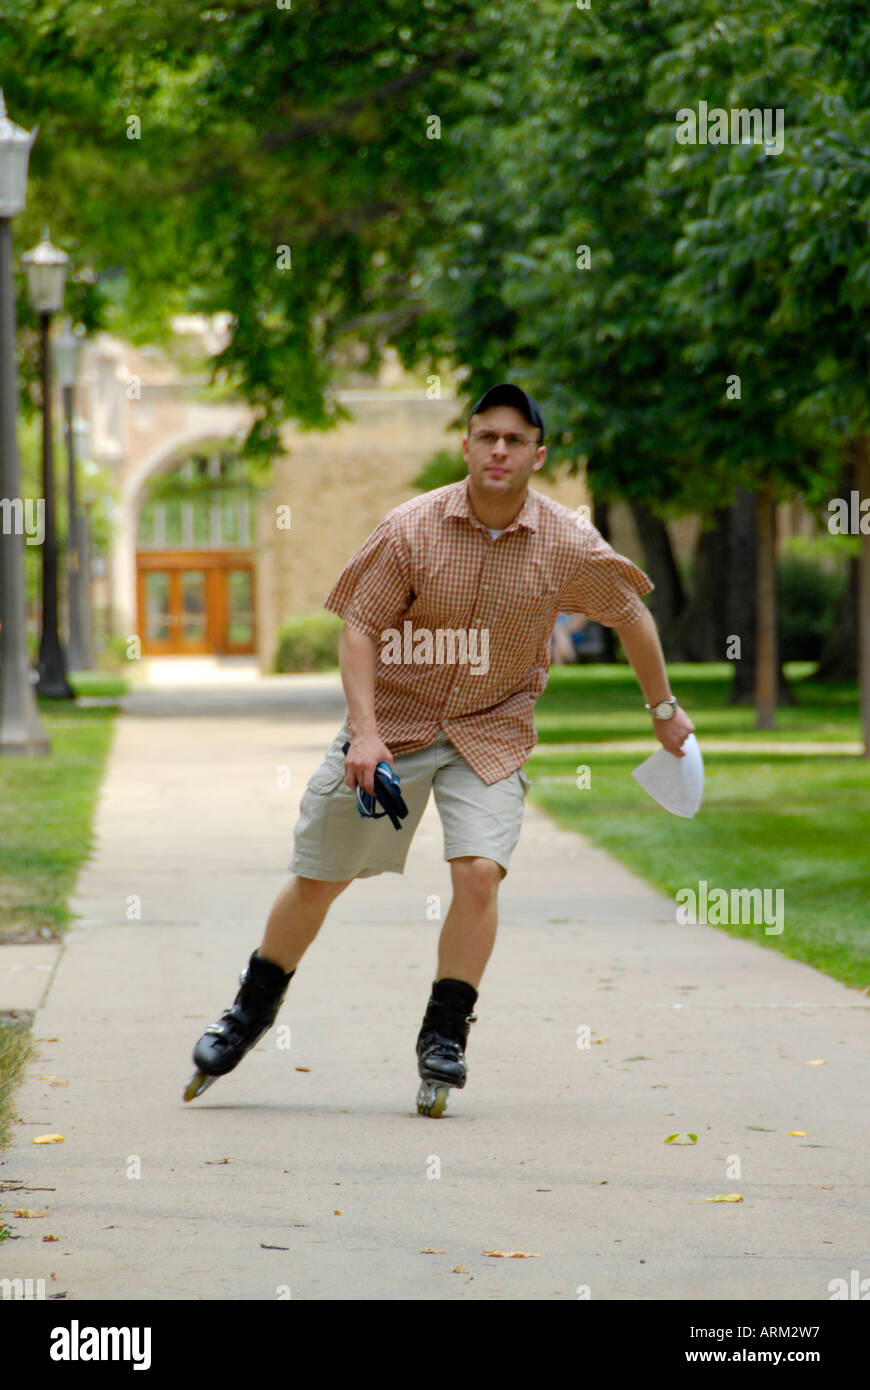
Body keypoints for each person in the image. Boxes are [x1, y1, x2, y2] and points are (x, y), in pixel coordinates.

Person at [184, 383, 695, 1114]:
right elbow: (359, 625)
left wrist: (663, 710)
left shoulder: (567, 542)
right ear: (466, 445)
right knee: (321, 878)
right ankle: (250, 1011)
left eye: (515, 441)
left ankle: (444, 1034)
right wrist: (364, 732)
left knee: (480, 873)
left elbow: (631, 615)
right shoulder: (411, 528)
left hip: (491, 728)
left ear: (537, 456)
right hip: (390, 728)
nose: (499, 451)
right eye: (487, 436)